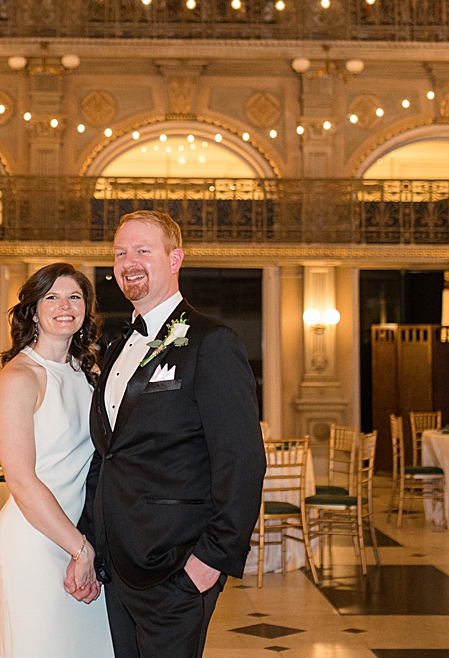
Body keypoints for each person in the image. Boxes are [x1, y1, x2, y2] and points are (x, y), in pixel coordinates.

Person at [80, 210, 266, 658]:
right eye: (121, 252)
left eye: (143, 250)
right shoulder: (117, 344)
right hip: (116, 563)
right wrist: (89, 541)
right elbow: (109, 455)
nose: (129, 262)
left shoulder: (211, 341)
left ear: (175, 258)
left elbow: (242, 460)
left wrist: (211, 561)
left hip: (176, 565)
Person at [0, 262, 111, 658]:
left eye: (75, 296)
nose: (64, 305)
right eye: (51, 296)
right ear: (33, 309)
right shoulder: (20, 377)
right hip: (35, 544)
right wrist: (80, 549)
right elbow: (20, 480)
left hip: (79, 534)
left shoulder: (86, 372)